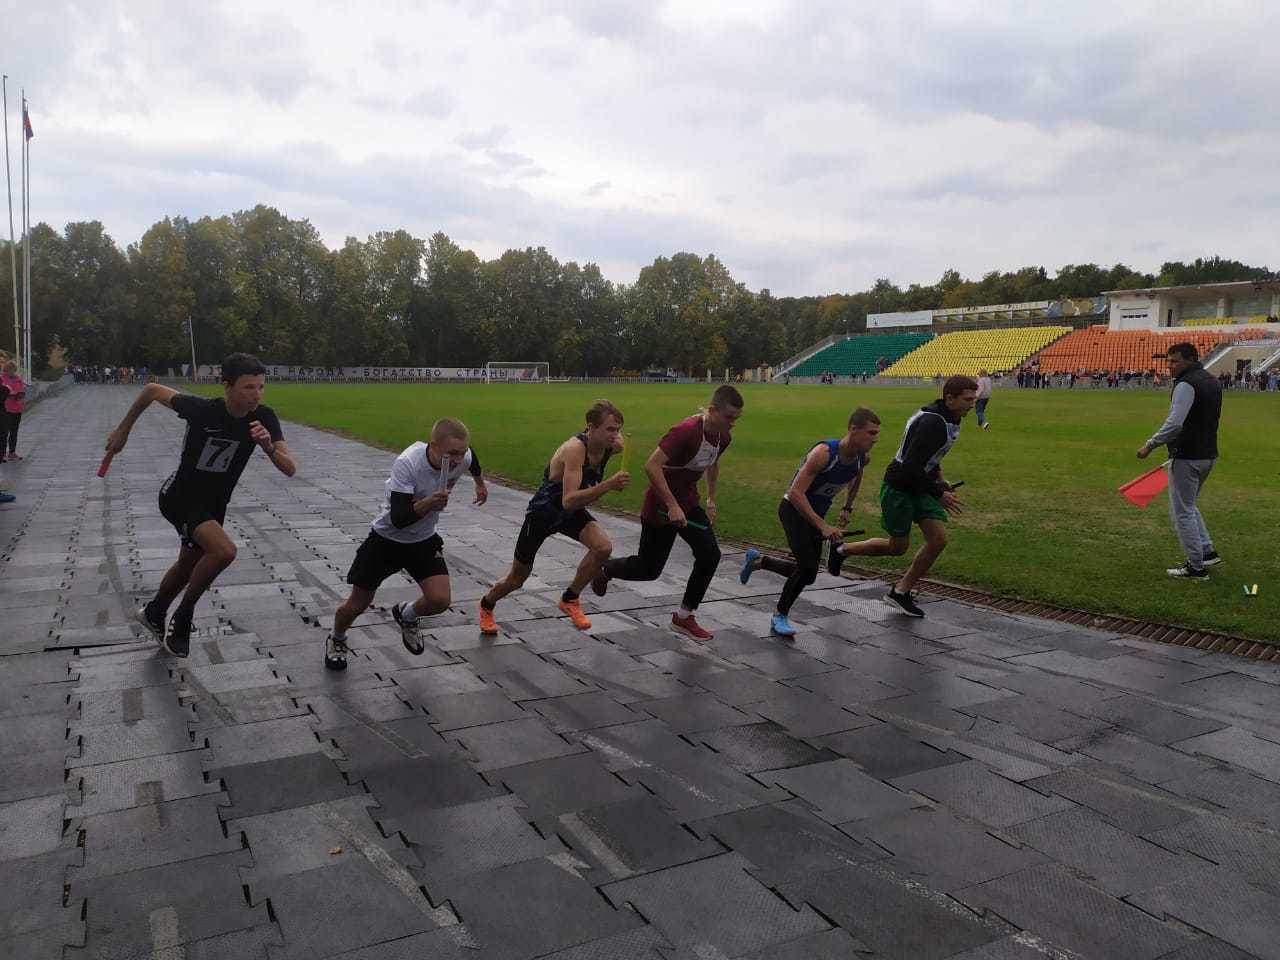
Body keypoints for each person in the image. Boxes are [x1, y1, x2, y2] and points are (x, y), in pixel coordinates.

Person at [105, 353, 296, 657]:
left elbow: (290, 468)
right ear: (227, 386)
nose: (257, 395)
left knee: (189, 564)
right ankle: (184, 616)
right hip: (180, 497)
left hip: (214, 504)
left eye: (261, 387)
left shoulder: (264, 418)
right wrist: (123, 430)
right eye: (248, 387)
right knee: (223, 551)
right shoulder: (202, 410)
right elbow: (152, 390)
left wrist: (269, 447)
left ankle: (155, 611)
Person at [325, 418, 487, 670]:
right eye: (452, 453)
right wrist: (429, 503)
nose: (458, 459)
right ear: (434, 445)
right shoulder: (408, 463)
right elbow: (399, 519)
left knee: (439, 600)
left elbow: (471, 457)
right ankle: (337, 638)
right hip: (386, 540)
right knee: (357, 604)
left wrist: (479, 482)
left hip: (423, 539)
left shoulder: (463, 456)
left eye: (462, 451)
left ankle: (406, 614)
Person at [591, 384, 744, 640]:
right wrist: (672, 505)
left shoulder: (723, 437)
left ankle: (683, 617)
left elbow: (713, 464)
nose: (732, 423)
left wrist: (711, 499)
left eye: (736, 418)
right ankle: (605, 569)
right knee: (649, 570)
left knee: (710, 554)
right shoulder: (686, 431)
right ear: (712, 410)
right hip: (660, 507)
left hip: (689, 504)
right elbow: (651, 466)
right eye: (728, 417)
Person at [478, 400, 629, 636]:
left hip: (570, 513)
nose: (615, 435)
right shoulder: (575, 449)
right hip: (544, 512)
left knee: (603, 547)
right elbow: (569, 500)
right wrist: (608, 485)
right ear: (591, 427)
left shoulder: (613, 445)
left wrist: (615, 439)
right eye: (610, 429)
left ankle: (570, 598)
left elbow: (571, 505)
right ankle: (487, 604)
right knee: (517, 578)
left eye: (618, 429)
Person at [830, 375, 977, 617]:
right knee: (897, 547)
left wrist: (940, 479)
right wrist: (938, 494)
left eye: (974, 399)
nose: (973, 404)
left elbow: (928, 456)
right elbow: (909, 464)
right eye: (968, 399)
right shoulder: (934, 423)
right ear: (949, 398)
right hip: (899, 486)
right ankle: (841, 550)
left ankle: (900, 592)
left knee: (938, 540)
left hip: (920, 483)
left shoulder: (949, 417)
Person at [739, 408, 881, 636]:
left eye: (877, 434)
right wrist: (823, 526)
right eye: (871, 433)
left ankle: (759, 561)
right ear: (853, 429)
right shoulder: (824, 453)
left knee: (809, 573)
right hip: (793, 510)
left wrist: (847, 506)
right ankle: (779, 615)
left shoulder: (861, 458)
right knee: (806, 568)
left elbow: (857, 475)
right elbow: (795, 492)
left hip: (815, 516)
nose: (875, 439)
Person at [1137, 342, 1223, 580]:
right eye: (1168, 361)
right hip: (1207, 454)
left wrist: (1150, 444)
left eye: (1175, 361)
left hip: (1187, 456)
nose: (1170, 366)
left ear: (1190, 359)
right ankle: (1206, 551)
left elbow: (1175, 423)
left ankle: (1196, 567)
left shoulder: (1186, 384)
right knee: (1189, 505)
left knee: (1182, 512)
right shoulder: (1211, 381)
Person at [0, 360, 25, 460]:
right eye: (10, 369)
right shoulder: (2, 379)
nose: (12, 372)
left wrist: (20, 394)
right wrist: (10, 393)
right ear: (6, 369)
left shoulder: (18, 379)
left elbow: (22, 390)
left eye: (14, 370)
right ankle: (2, 454)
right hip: (6, 409)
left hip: (17, 408)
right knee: (4, 432)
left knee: (14, 431)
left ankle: (12, 452)